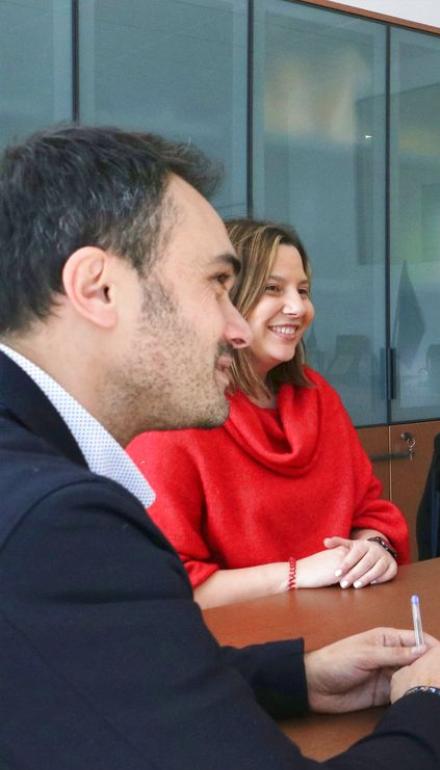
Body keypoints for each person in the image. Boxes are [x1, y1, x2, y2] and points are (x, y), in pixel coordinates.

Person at [0, 125, 440, 768]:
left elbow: (117, 668)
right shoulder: (57, 525)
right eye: (217, 284)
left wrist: (298, 677)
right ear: (99, 288)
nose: (237, 329)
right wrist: (435, 711)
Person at [128, 219, 409, 609]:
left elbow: (372, 512)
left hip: (343, 624)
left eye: (304, 291)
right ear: (225, 300)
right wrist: (297, 574)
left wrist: (373, 549)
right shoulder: (175, 415)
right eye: (272, 289)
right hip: (239, 651)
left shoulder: (318, 396)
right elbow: (170, 585)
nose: (297, 307)